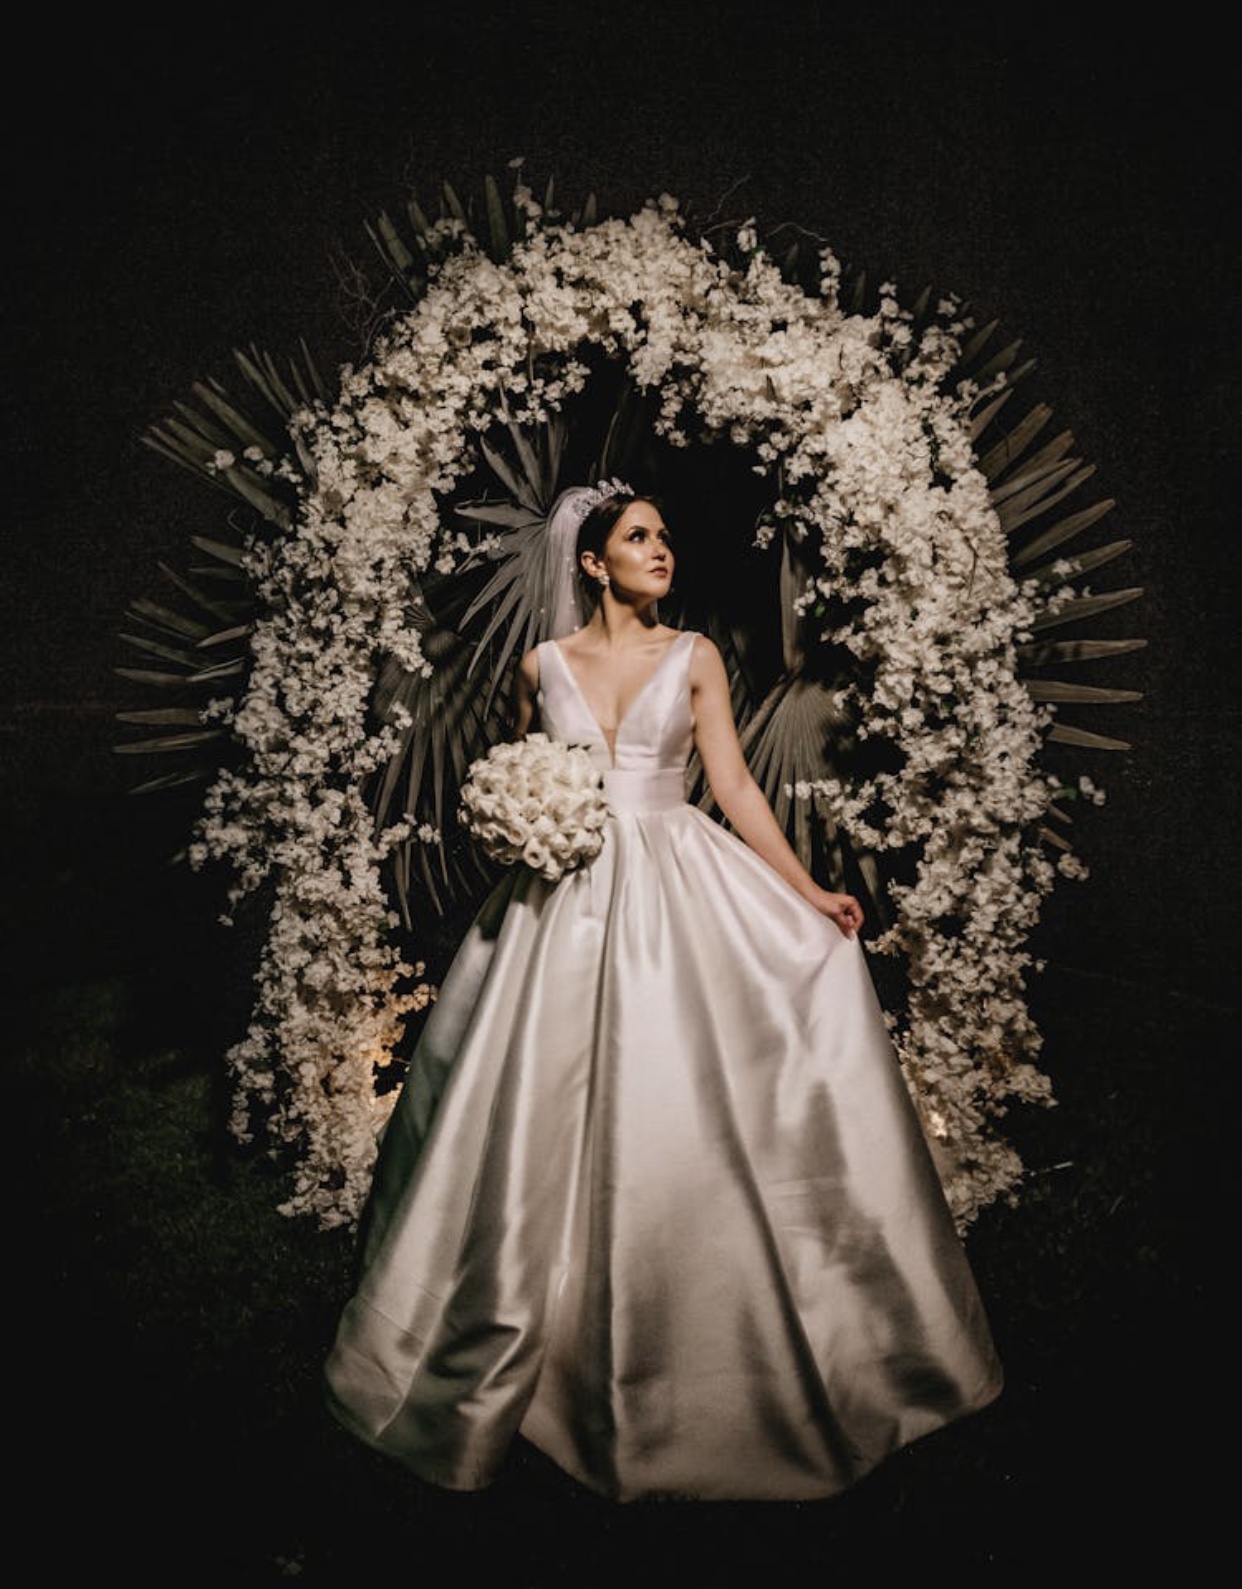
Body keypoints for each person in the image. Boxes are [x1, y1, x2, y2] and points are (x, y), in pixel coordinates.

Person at [323, 480, 1003, 1503]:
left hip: (673, 877)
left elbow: (730, 785)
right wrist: (518, 820)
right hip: (559, 896)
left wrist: (812, 891)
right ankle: (518, 1324)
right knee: (527, 1104)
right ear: (592, 561)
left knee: (678, 1095)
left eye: (666, 536)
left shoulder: (696, 657)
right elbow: (519, 771)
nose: (661, 549)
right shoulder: (539, 663)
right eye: (638, 537)